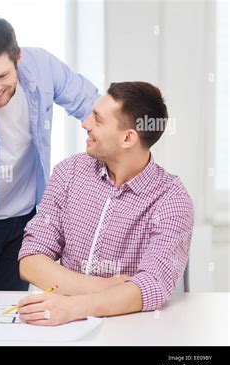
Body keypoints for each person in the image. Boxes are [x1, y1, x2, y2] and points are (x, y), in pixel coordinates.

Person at [0, 17, 99, 290]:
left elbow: (92, 107)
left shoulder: (43, 67)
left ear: (18, 58)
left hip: (25, 218)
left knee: (12, 310)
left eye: (2, 76)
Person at [17, 82, 194, 325]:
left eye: (98, 120)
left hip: (132, 327)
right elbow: (31, 260)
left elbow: (152, 285)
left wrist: (73, 307)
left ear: (128, 138)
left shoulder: (171, 199)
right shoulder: (69, 173)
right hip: (63, 323)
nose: (85, 123)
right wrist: (104, 288)